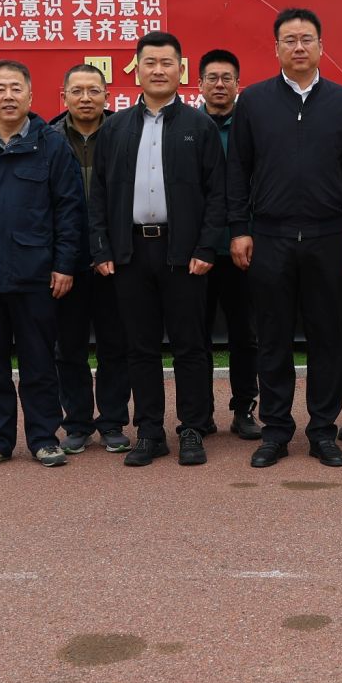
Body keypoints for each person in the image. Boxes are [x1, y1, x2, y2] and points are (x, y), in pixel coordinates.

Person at [228, 7, 342, 469]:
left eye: (306, 39)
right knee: (272, 338)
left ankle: (323, 431)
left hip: (328, 236)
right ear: (276, 48)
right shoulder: (254, 101)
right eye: (289, 40)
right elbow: (238, 171)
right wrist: (239, 229)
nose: (298, 47)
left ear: (321, 47)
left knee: (327, 337)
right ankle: (275, 431)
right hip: (268, 236)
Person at [85, 31, 226, 467]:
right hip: (129, 253)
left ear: (180, 70)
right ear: (137, 69)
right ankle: (149, 431)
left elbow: (217, 194)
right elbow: (99, 194)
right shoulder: (115, 128)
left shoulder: (199, 126)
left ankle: (192, 428)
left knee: (190, 345)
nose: (159, 70)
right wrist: (101, 248)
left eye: (167, 63)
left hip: (183, 253)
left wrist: (206, 247)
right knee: (140, 346)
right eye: (150, 62)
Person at [0, 59, 84, 470]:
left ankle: (44, 439)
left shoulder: (52, 146)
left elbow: (70, 211)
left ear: (30, 95)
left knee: (39, 362)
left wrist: (65, 265)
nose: (8, 96)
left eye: (16, 88)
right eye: (0, 89)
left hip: (34, 275)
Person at [53, 62, 132, 456]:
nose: (86, 98)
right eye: (77, 91)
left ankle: (113, 421)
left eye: (94, 90)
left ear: (107, 95)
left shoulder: (125, 133)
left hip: (115, 258)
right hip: (65, 260)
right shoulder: (48, 139)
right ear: (63, 96)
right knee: (68, 347)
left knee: (115, 344)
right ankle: (78, 423)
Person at [197, 49, 262, 440]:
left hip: (245, 250)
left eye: (227, 78)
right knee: (196, 338)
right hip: (198, 252)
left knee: (245, 336)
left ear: (239, 84)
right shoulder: (187, 126)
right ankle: (200, 413)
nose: (220, 85)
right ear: (200, 84)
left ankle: (244, 409)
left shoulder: (252, 127)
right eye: (212, 78)